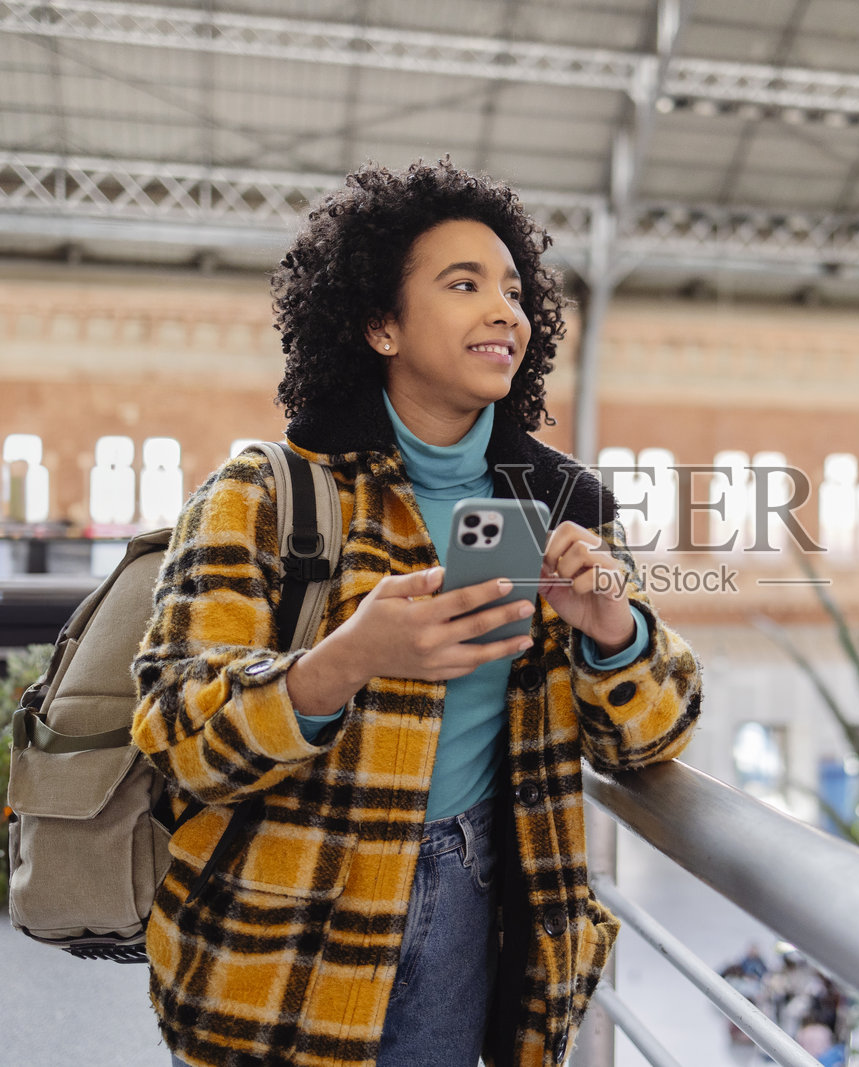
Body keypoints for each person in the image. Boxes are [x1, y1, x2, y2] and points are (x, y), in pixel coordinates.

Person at [130, 158, 703, 1067]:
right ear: (380, 325)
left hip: (473, 909)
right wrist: (344, 660)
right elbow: (177, 732)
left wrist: (611, 631)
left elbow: (653, 737)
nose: (503, 310)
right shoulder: (268, 495)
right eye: (463, 283)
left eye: (514, 290)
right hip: (281, 922)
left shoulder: (561, 505)